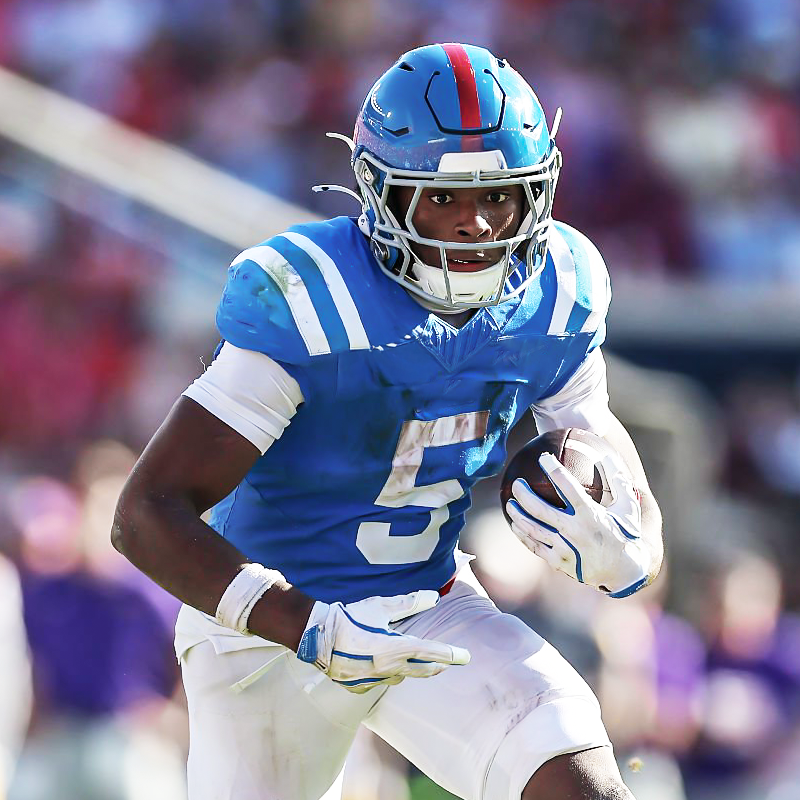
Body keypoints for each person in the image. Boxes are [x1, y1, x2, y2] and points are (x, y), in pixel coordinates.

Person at [112, 43, 663, 800]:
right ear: (382, 193)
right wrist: (304, 624)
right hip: (267, 630)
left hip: (428, 603)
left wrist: (633, 542)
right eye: (441, 199)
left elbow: (596, 439)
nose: (473, 225)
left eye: (498, 197)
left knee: (581, 778)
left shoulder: (559, 289)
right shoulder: (316, 300)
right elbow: (145, 512)